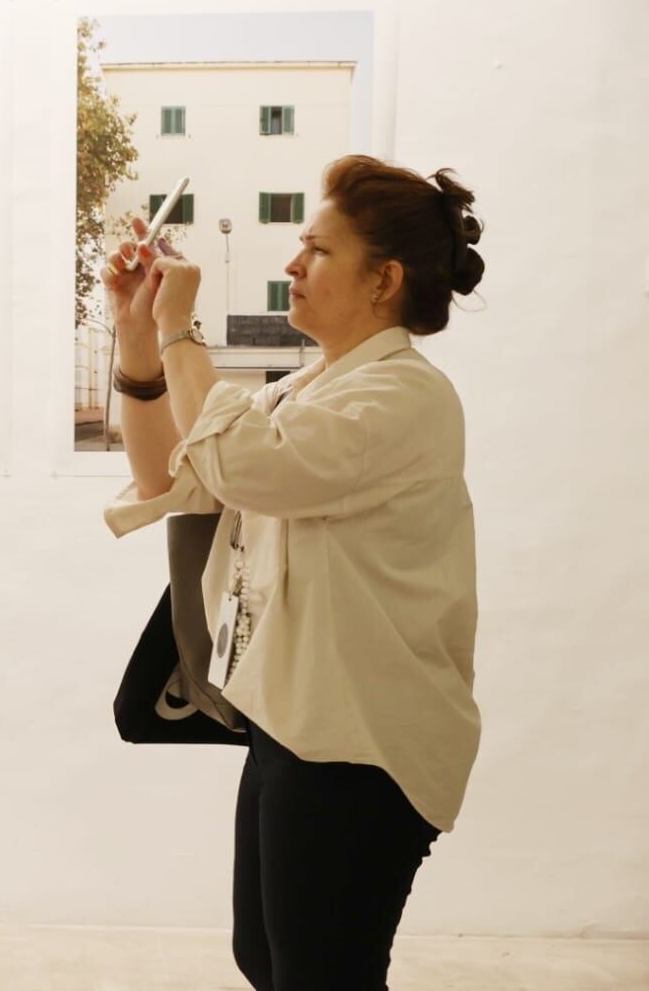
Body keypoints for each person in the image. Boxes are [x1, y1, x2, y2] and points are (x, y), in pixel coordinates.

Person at [102, 155, 485, 990]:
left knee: (321, 974)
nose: (290, 265)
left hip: (362, 741)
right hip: (293, 719)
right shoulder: (306, 391)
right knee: (268, 959)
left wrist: (180, 329)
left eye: (314, 250)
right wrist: (138, 337)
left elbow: (242, 466)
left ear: (383, 279)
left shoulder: (405, 398)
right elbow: (172, 476)